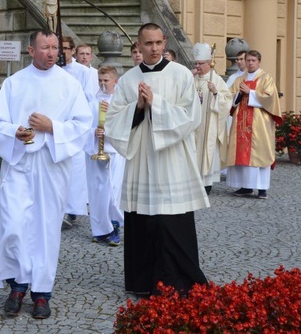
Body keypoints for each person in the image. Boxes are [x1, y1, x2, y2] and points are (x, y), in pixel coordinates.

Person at [0, 29, 92, 320]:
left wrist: (52, 127)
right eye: (45, 47)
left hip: (51, 166)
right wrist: (14, 132)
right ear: (31, 51)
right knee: (14, 224)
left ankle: (42, 293)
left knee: (46, 229)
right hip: (19, 164)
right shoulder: (14, 83)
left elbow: (83, 124)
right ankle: (17, 285)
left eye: (55, 47)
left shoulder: (69, 85)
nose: (51, 52)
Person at [105, 23, 209, 297]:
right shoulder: (128, 80)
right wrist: (138, 107)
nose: (153, 49)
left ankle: (180, 281)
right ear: (138, 46)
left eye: (157, 43)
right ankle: (143, 282)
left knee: (169, 223)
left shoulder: (181, 75)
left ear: (164, 42)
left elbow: (191, 116)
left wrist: (156, 103)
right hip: (141, 160)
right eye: (147, 44)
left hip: (173, 160)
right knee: (144, 222)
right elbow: (114, 122)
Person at [226, 50, 283, 200]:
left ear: (259, 62)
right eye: (248, 60)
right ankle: (246, 186)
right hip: (241, 124)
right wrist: (239, 94)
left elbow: (270, 98)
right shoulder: (240, 79)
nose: (250, 63)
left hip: (260, 124)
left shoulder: (266, 78)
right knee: (242, 155)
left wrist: (250, 92)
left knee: (260, 154)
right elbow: (230, 97)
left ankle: (262, 188)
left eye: (253, 60)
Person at [60, 36, 99, 228]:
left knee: (74, 170)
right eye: (61, 48)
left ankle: (72, 210)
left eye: (67, 48)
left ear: (72, 50)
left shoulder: (82, 72)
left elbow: (89, 97)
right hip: (56, 126)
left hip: (73, 125)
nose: (63, 52)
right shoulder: (54, 69)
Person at [84, 66, 124, 246]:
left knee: (112, 190)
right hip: (95, 152)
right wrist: (94, 132)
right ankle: (100, 229)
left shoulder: (121, 103)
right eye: (100, 80)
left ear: (115, 81)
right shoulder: (92, 102)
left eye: (106, 80)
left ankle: (115, 226)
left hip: (115, 152)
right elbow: (83, 125)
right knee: (97, 191)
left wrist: (108, 131)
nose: (102, 83)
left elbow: (126, 127)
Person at [191, 43, 232, 195]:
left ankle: (206, 184)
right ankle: (192, 182)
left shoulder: (217, 80)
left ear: (209, 64)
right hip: (193, 125)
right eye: (196, 63)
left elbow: (227, 100)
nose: (198, 66)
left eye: (201, 64)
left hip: (209, 124)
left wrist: (216, 93)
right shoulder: (191, 79)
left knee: (207, 152)